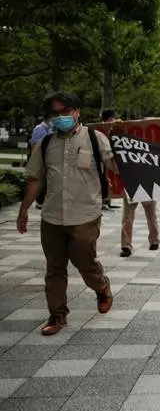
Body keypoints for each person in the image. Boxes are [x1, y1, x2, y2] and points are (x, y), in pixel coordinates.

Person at [17, 92, 115, 336]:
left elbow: (117, 165)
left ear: (77, 111)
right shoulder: (46, 144)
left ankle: (101, 286)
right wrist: (23, 210)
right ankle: (57, 315)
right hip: (52, 216)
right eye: (56, 113)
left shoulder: (95, 138)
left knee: (84, 260)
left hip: (85, 213)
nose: (61, 117)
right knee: (54, 267)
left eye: (66, 111)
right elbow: (35, 180)